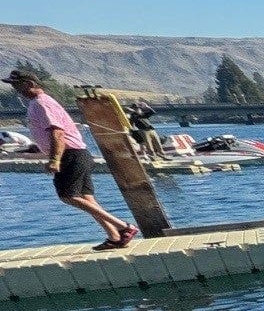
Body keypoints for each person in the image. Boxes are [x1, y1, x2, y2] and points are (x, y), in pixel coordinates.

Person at [3, 68, 137, 249]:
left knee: (67, 195)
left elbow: (57, 132)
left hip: (70, 153)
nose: (16, 90)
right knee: (86, 197)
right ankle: (114, 237)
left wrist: (55, 160)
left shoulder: (41, 103)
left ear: (30, 84)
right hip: (78, 153)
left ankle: (124, 227)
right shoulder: (40, 103)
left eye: (17, 85)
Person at [128, 96, 167, 161]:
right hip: (143, 131)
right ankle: (153, 156)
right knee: (148, 144)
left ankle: (162, 154)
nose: (138, 109)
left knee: (157, 142)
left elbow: (152, 112)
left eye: (138, 108)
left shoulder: (143, 114)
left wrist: (147, 107)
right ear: (133, 109)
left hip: (151, 129)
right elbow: (131, 124)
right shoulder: (133, 116)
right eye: (136, 108)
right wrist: (131, 131)